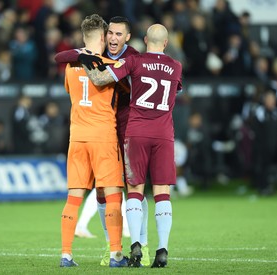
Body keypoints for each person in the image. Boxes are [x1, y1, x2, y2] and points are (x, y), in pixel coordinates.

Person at [79, 24, 182, 268]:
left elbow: (101, 79)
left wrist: (84, 60)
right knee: (162, 193)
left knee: (134, 189)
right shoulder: (176, 67)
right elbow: (175, 91)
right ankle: (162, 250)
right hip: (163, 134)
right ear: (166, 43)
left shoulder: (135, 61)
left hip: (136, 132)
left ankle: (135, 244)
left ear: (145, 40)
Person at [55, 16, 150, 267]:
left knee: (73, 197)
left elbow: (69, 89)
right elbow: (128, 90)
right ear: (102, 37)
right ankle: (116, 254)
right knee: (113, 196)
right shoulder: (110, 67)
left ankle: (66, 255)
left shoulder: (70, 66)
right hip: (104, 137)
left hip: (77, 137)